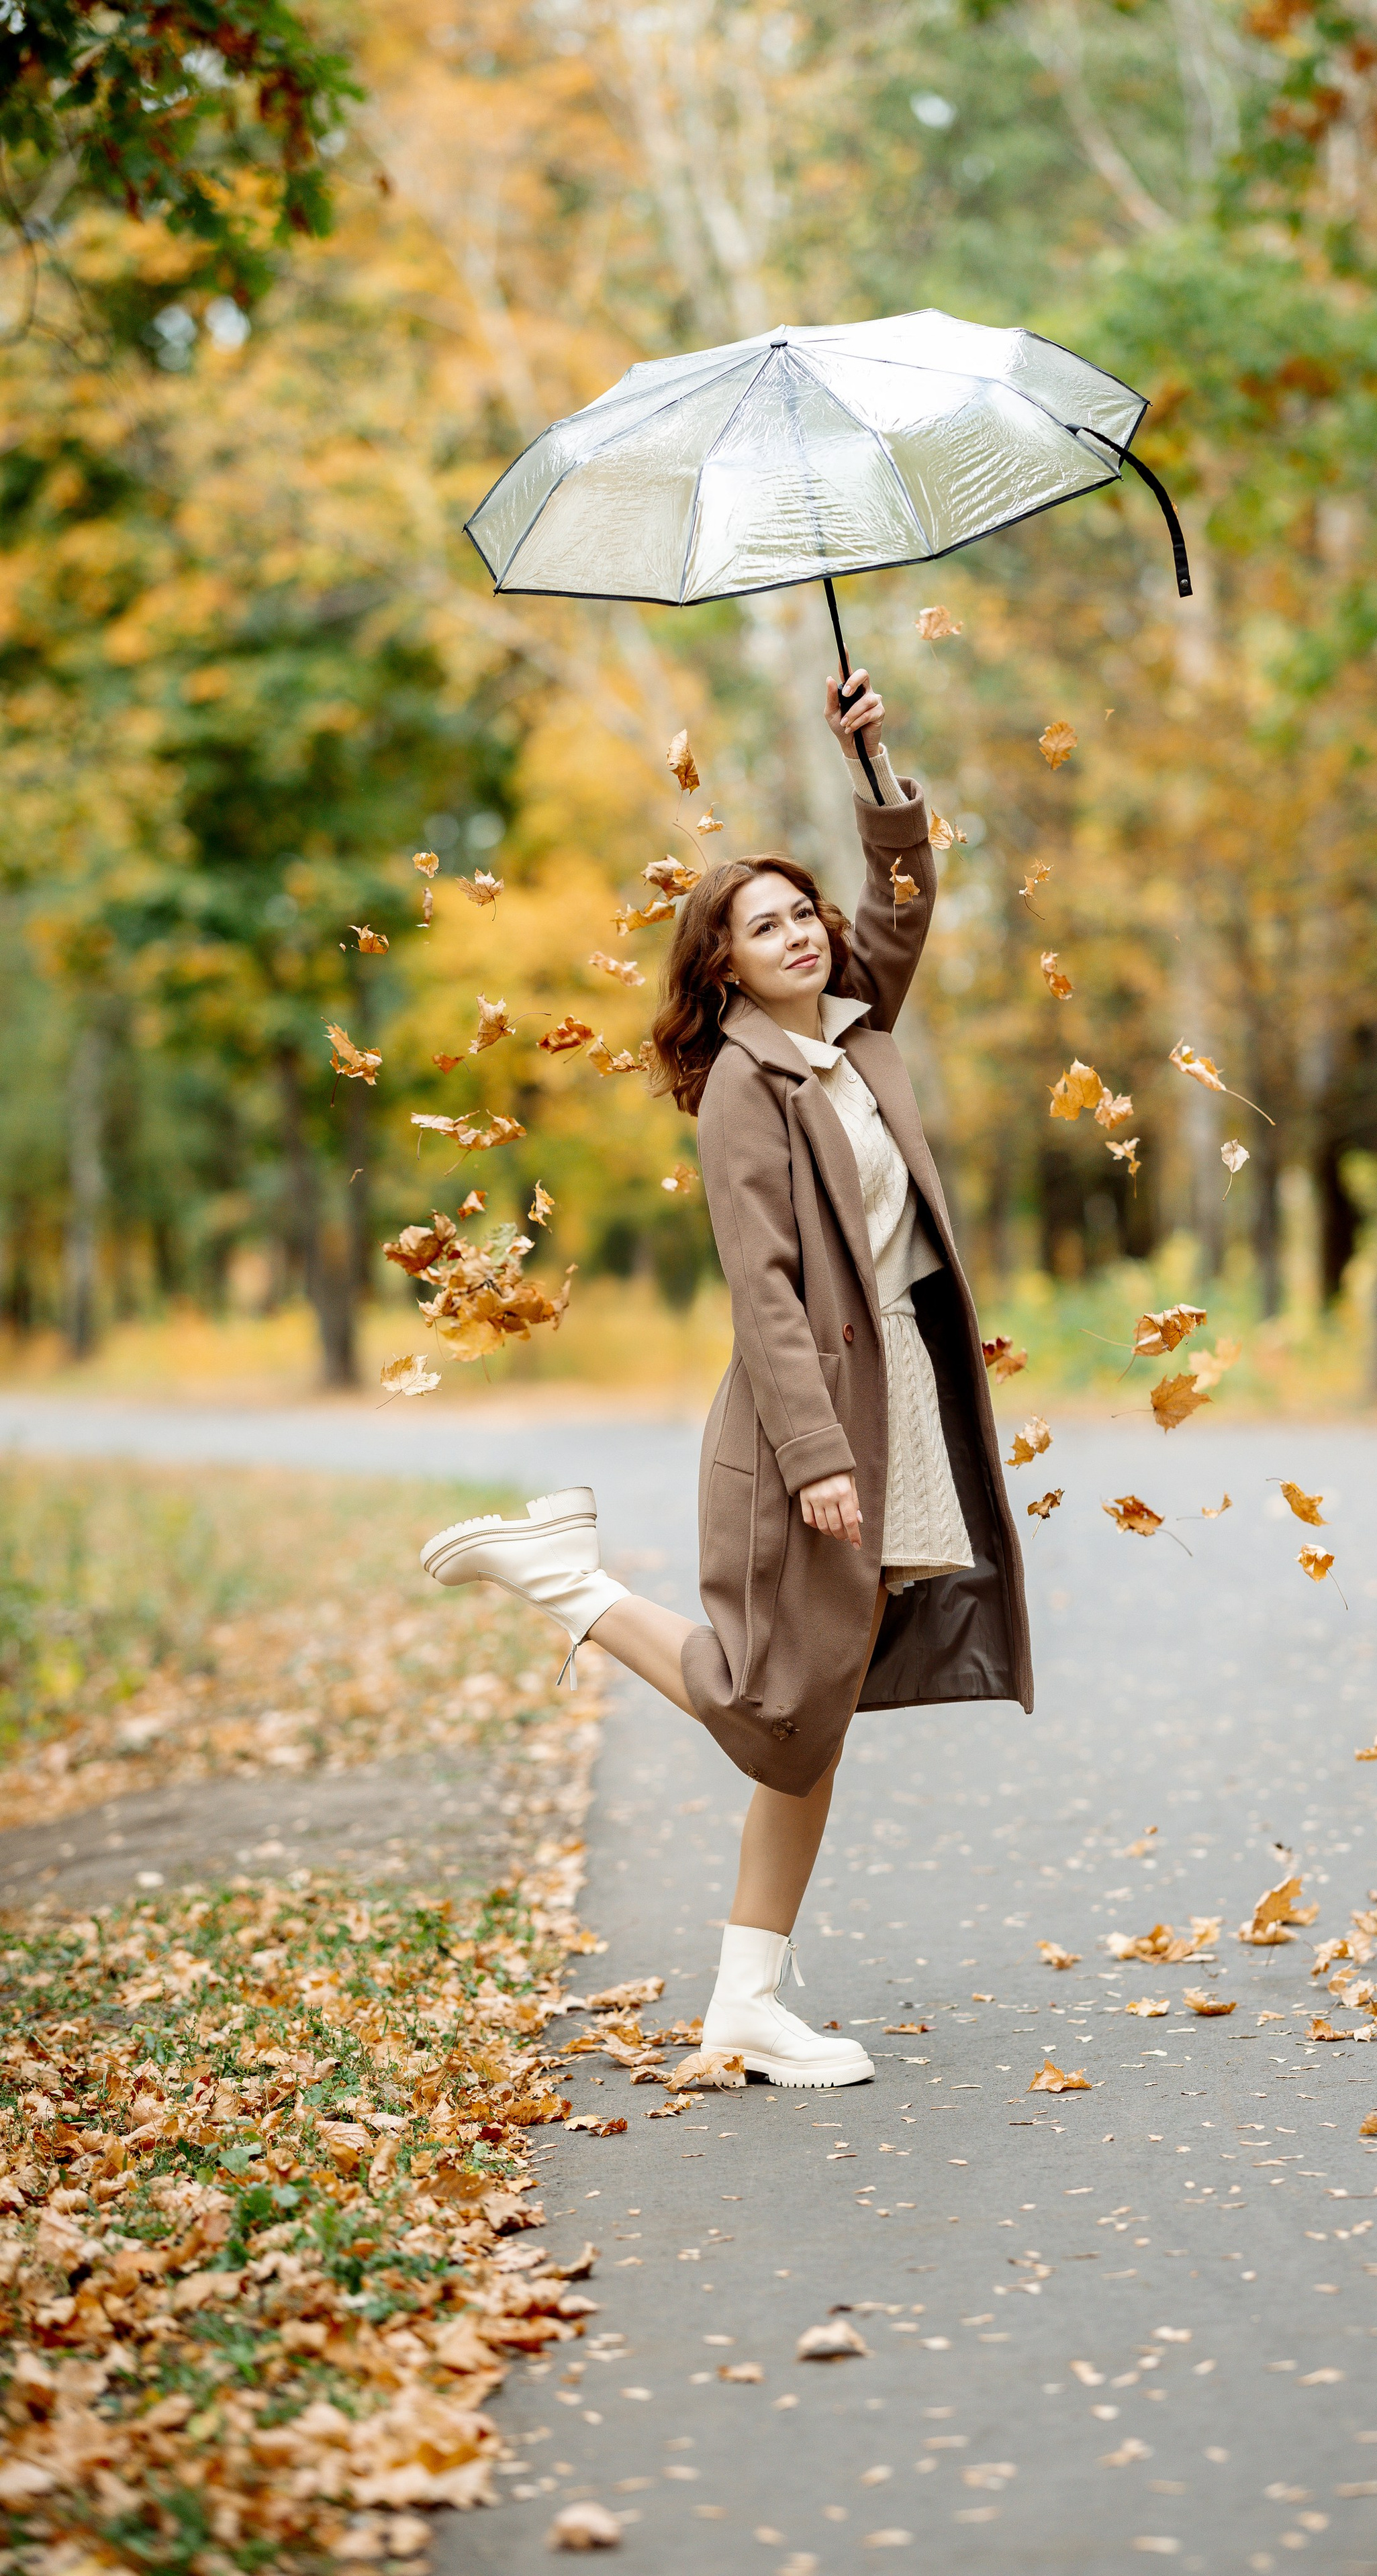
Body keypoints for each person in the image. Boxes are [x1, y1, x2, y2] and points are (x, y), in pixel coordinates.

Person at [419, 667, 1032, 2087]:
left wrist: (871, 762)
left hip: (895, 1405)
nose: (801, 932)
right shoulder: (748, 1088)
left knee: (808, 1714)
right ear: (722, 969)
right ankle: (566, 1579)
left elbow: (901, 905)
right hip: (807, 1429)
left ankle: (744, 1999)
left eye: (801, 910)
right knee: (778, 1709)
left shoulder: (847, 1026)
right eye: (763, 925)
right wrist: (819, 1454)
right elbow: (761, 1290)